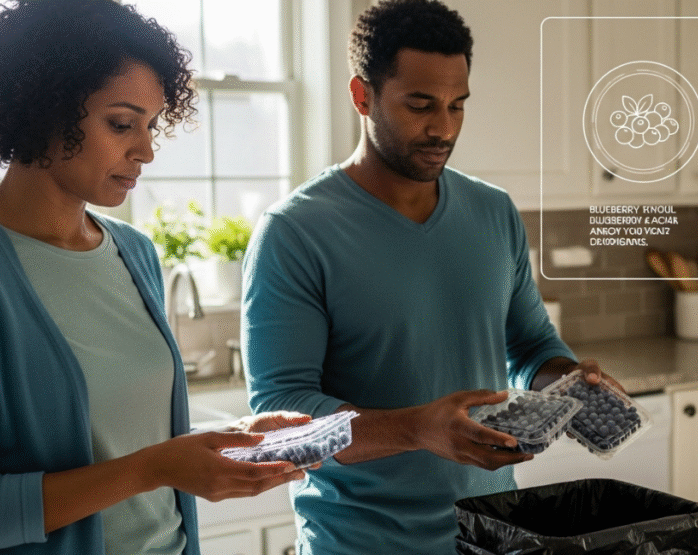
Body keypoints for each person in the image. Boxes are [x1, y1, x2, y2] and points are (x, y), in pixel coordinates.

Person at [241, 0, 620, 552]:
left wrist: (566, 382)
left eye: (457, 106)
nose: (443, 128)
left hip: (492, 534)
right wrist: (416, 428)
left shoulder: (492, 212)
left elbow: (531, 344)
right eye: (420, 106)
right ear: (361, 95)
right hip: (359, 543)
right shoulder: (295, 232)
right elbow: (284, 422)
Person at [0, 1, 313, 553]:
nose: (144, 151)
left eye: (151, 126)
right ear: (42, 109)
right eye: (121, 124)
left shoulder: (135, 253)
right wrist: (155, 468)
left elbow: (130, 445)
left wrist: (229, 444)